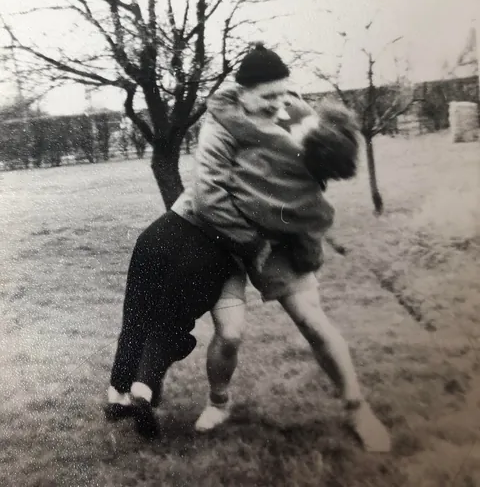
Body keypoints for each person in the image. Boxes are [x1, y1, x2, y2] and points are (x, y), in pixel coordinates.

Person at [171, 43, 391, 452]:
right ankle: (219, 402)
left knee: (312, 320)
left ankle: (358, 408)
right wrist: (252, 241)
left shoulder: (294, 112)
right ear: (243, 92)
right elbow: (208, 198)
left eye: (284, 93)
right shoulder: (218, 126)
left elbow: (315, 168)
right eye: (268, 97)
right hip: (225, 237)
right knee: (231, 333)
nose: (279, 104)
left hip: (279, 237)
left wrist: (296, 207)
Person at [104, 208, 262, 439]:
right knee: (170, 326)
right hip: (205, 252)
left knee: (137, 317)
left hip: (162, 231)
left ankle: (118, 393)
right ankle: (143, 388)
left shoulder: (213, 178)